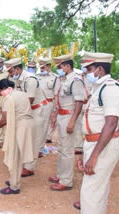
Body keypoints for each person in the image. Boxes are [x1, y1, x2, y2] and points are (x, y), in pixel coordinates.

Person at [74, 51, 119, 213]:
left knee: (90, 193)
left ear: (100, 70)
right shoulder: (99, 88)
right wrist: (86, 151)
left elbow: (111, 124)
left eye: (88, 69)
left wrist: (94, 156)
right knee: (97, 190)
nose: (85, 73)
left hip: (103, 145)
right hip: (95, 143)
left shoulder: (111, 88)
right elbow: (93, 124)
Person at [49, 54, 86, 191]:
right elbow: (58, 99)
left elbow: (79, 102)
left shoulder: (75, 80)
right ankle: (61, 175)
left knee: (67, 150)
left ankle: (66, 180)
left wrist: (72, 121)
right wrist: (54, 113)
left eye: (60, 66)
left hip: (69, 117)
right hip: (61, 116)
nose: (58, 69)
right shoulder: (63, 79)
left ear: (68, 66)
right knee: (62, 148)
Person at [5, 58, 48, 177]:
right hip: (28, 111)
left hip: (37, 110)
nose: (10, 74)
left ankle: (29, 167)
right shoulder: (18, 79)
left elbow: (29, 100)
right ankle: (24, 162)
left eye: (11, 71)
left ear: (18, 69)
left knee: (34, 139)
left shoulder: (30, 80)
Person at [0, 79, 35, 194]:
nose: (1, 93)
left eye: (1, 90)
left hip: (20, 127)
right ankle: (13, 179)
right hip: (28, 124)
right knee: (18, 155)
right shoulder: (22, 94)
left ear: (5, 88)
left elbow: (4, 120)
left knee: (14, 156)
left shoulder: (9, 98)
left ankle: (14, 186)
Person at [37, 58, 59, 149]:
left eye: (43, 67)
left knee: (46, 125)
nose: (41, 69)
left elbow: (56, 95)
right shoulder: (36, 76)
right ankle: (38, 145)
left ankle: (41, 147)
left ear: (48, 66)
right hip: (37, 104)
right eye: (40, 67)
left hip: (48, 104)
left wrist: (54, 109)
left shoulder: (55, 78)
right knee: (38, 125)